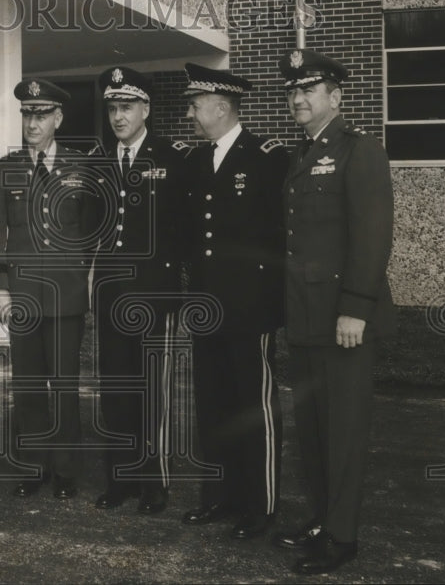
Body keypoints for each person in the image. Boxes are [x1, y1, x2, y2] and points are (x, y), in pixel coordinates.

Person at [272, 49, 395, 575]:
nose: (298, 98)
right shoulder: (300, 153)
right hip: (304, 317)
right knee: (314, 430)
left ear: (336, 96)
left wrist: (356, 308)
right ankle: (323, 519)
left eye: (310, 89)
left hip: (342, 320)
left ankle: (342, 538)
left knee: (343, 432)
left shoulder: (359, 151)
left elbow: (372, 235)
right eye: (293, 91)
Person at [179, 62, 288, 540]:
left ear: (220, 107)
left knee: (253, 406)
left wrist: (271, 302)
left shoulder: (267, 156)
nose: (190, 113)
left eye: (195, 105)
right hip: (207, 308)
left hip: (249, 308)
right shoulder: (197, 160)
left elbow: (279, 235)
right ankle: (220, 497)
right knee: (214, 406)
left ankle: (259, 505)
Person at [0, 79, 100, 500]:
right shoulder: (6, 167)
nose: (31, 123)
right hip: (22, 296)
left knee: (65, 385)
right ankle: (33, 466)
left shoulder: (81, 166)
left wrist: (80, 276)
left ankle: (66, 469)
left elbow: (90, 233)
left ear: (58, 118)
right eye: (26, 114)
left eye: (40, 114)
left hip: (66, 296)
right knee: (29, 384)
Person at [91, 66, 188, 515]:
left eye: (126, 106)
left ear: (145, 109)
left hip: (154, 296)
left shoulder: (173, 157)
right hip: (111, 296)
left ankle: (155, 482)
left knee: (153, 392)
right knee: (115, 391)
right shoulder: (99, 160)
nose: (118, 116)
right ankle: (121, 479)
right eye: (112, 107)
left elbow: (182, 232)